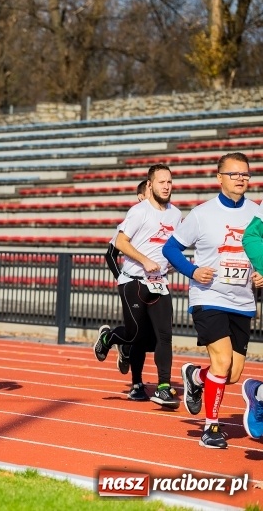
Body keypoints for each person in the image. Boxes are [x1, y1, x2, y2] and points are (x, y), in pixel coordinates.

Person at [164, 152, 263, 449]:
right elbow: (170, 250)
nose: (241, 179)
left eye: (245, 174)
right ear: (219, 178)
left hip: (243, 300)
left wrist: (261, 272)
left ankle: (196, 376)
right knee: (221, 361)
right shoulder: (202, 214)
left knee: (232, 374)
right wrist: (193, 271)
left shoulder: (257, 214)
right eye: (234, 174)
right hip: (209, 297)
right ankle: (212, 428)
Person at [93, 164, 180, 407]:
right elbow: (120, 242)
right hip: (133, 282)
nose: (166, 186)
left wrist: (180, 266)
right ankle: (110, 338)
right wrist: (144, 261)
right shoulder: (139, 211)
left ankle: (164, 386)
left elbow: (175, 247)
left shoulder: (175, 214)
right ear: (150, 185)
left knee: (164, 336)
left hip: (159, 283)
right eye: (161, 182)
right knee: (135, 335)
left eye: (170, 182)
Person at [101, 179, 151, 381]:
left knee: (150, 334)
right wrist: (122, 279)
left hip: (156, 284)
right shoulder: (132, 219)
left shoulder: (167, 216)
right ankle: (137, 382)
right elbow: (110, 253)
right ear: (141, 196)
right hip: (133, 283)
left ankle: (125, 347)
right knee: (137, 330)